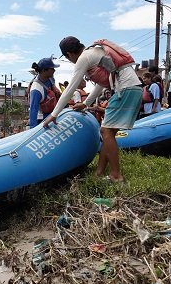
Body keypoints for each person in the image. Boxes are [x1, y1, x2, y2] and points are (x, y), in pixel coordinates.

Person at [44, 36, 143, 183]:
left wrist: (54, 114)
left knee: (106, 132)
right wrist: (86, 103)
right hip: (133, 87)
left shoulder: (84, 58)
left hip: (125, 88)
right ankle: (99, 173)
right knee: (107, 131)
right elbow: (103, 83)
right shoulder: (96, 52)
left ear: (68, 55)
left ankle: (116, 176)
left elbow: (71, 88)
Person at [26, 57, 61, 129]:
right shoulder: (36, 90)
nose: (54, 70)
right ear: (45, 70)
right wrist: (33, 130)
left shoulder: (49, 78)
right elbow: (33, 110)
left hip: (53, 115)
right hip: (41, 120)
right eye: (52, 69)